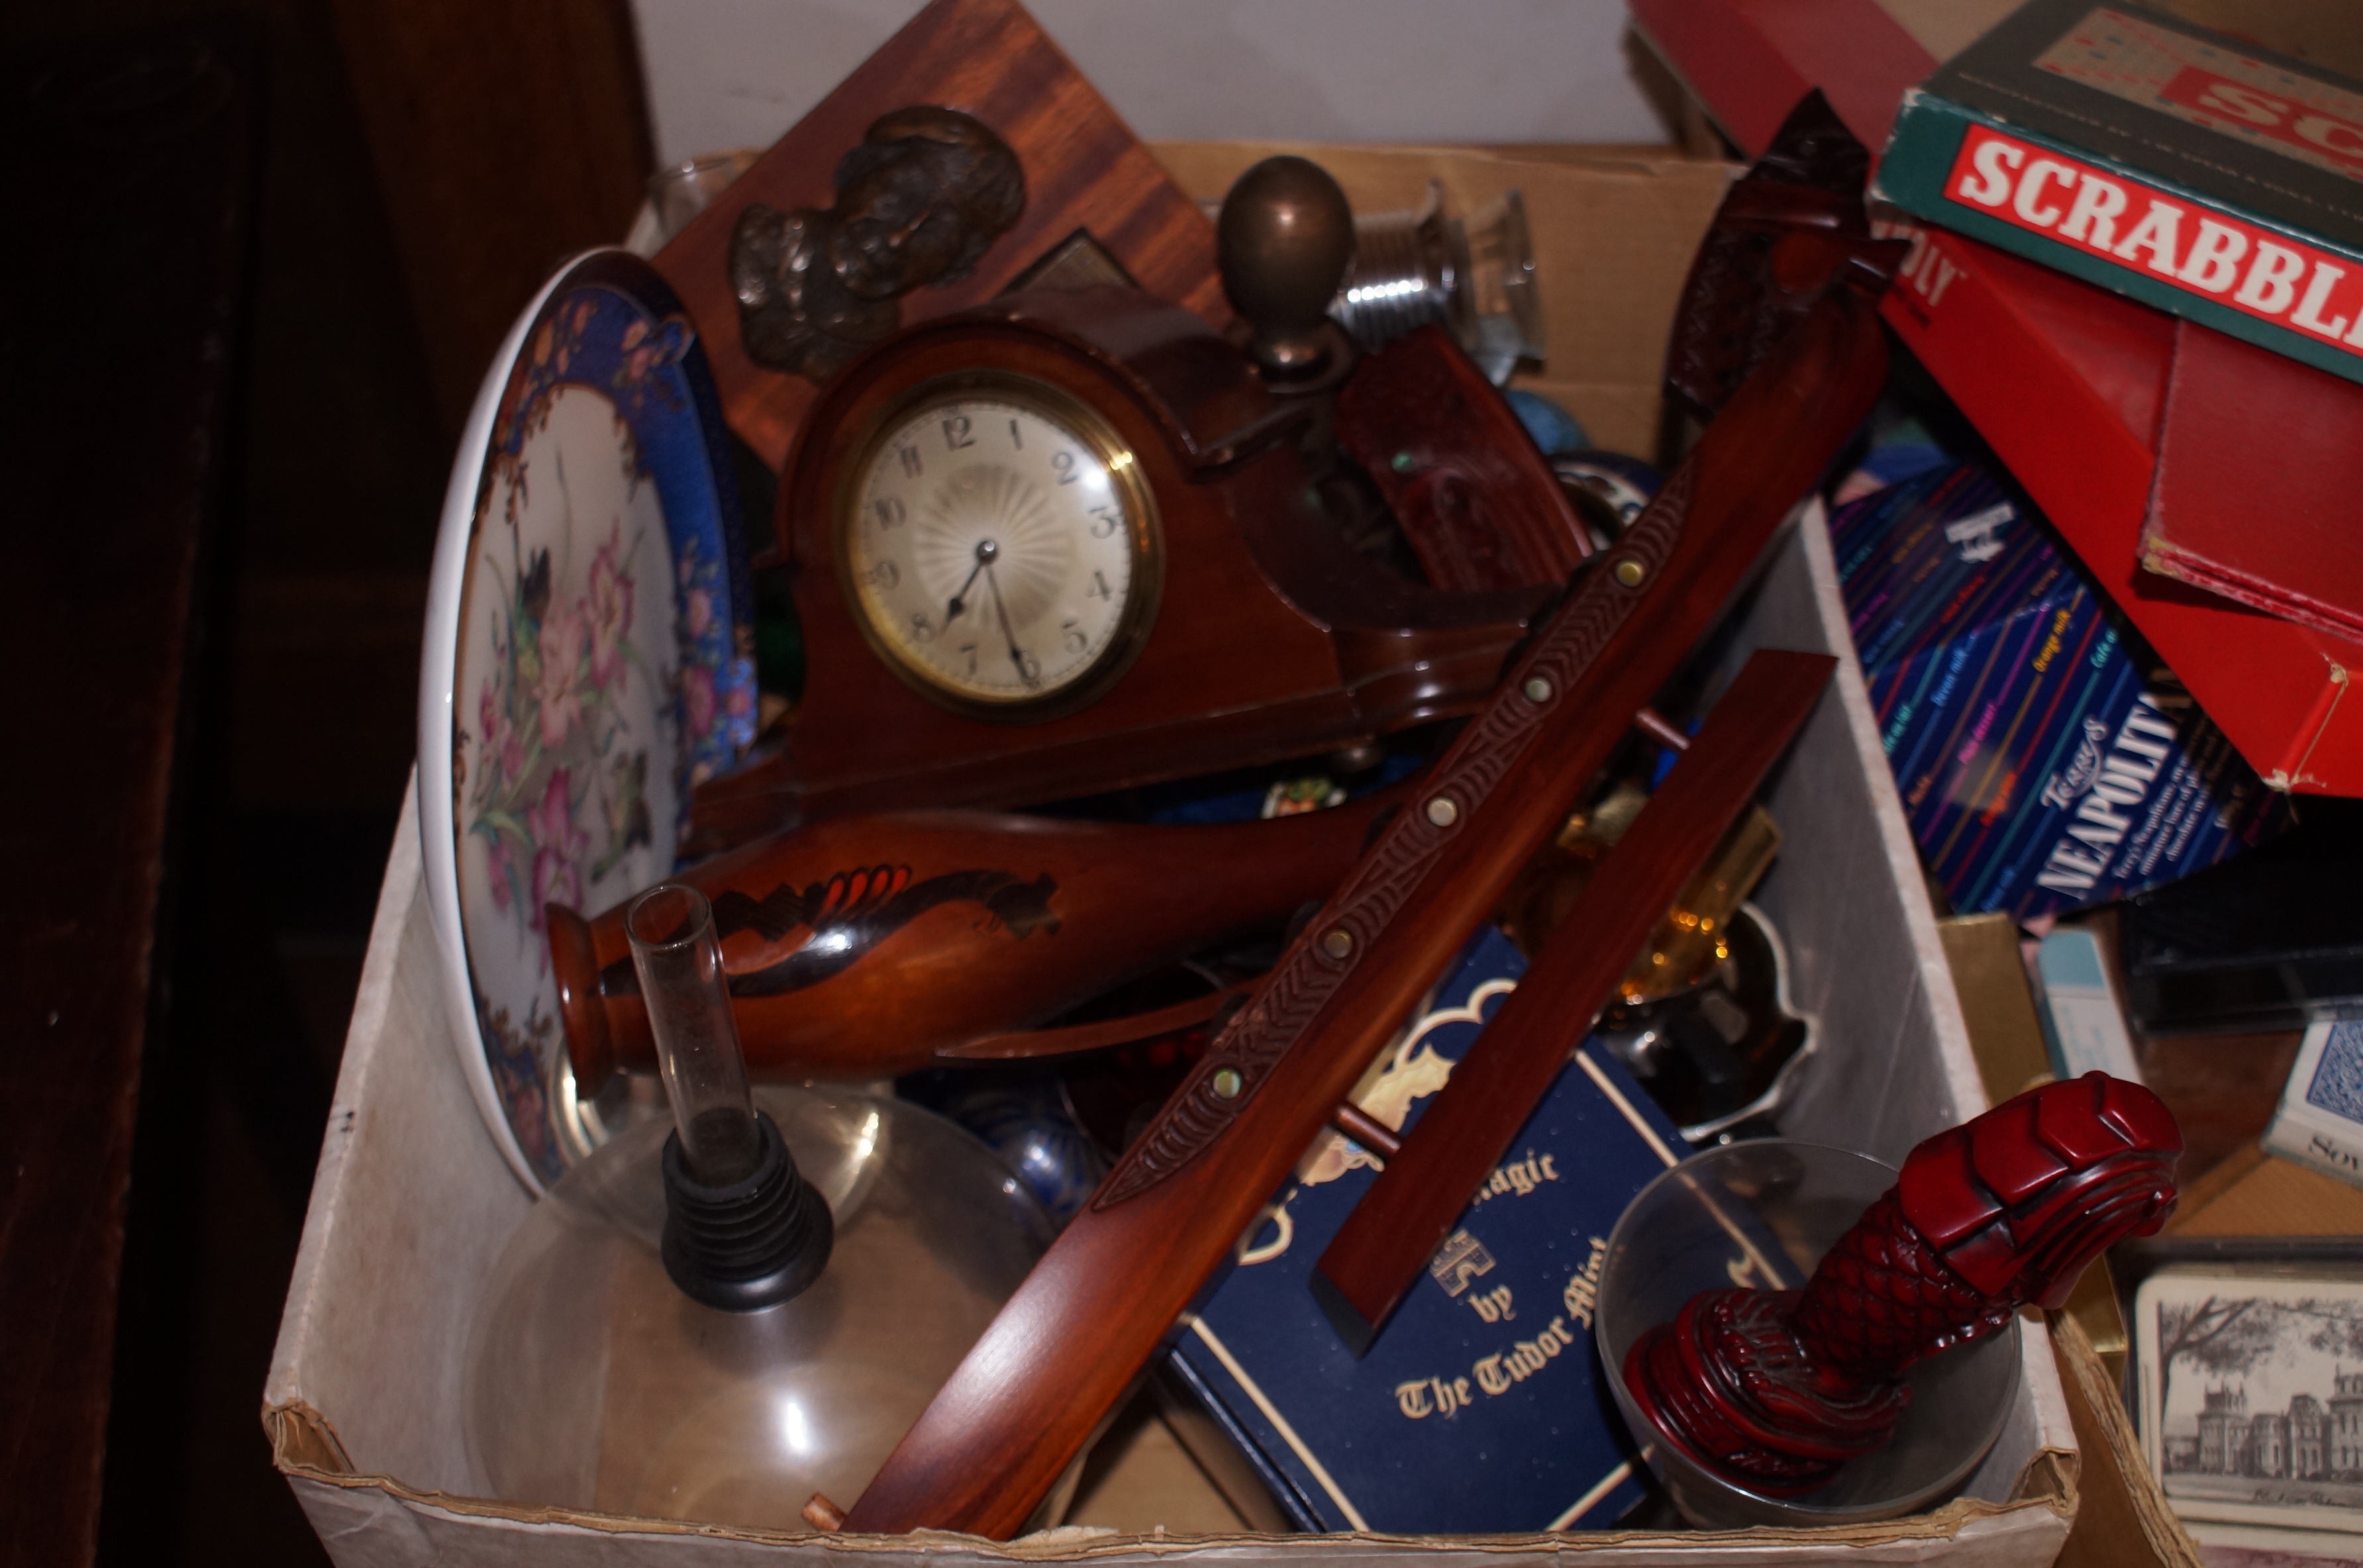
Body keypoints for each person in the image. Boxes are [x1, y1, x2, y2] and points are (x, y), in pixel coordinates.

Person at [729, 107, 1026, 382]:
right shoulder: (761, 241)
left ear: (951, 270)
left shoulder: (878, 359)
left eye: (938, 237)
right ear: (857, 174)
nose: (897, 240)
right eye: (896, 196)